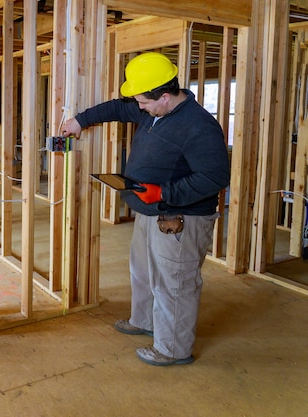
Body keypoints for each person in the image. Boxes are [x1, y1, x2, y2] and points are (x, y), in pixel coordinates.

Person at [61, 52, 230, 366]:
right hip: (149, 211)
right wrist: (79, 120)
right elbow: (118, 106)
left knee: (175, 284)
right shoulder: (153, 111)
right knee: (143, 272)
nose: (138, 107)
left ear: (164, 96)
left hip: (178, 218)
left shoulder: (199, 126)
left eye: (144, 102)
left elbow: (215, 177)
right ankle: (144, 321)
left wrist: (164, 192)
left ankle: (173, 350)